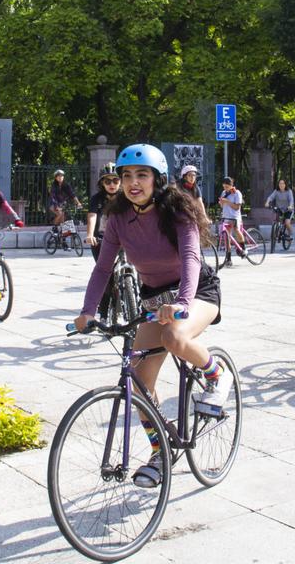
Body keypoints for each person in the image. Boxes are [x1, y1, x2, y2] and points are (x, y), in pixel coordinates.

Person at [74, 143, 227, 489]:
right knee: (139, 384)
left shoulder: (178, 211)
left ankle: (217, 378)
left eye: (141, 175)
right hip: (155, 301)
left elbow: (191, 258)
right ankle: (160, 452)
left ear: (157, 179)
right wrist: (87, 312)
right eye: (126, 176)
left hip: (197, 291)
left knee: (176, 338)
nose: (133, 183)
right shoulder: (117, 219)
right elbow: (102, 269)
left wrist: (184, 302)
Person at [86, 163, 120, 261]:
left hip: (123, 236)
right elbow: (92, 216)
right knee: (104, 271)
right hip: (101, 238)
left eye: (115, 180)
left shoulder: (126, 198)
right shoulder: (96, 199)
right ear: (102, 183)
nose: (112, 184)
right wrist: (90, 235)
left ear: (121, 182)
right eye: (107, 181)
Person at [217, 177, 247, 267]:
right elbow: (223, 206)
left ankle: (243, 247)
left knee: (236, 229)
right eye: (224, 186)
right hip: (226, 217)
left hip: (235, 217)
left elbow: (237, 207)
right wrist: (221, 203)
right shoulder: (223, 193)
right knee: (227, 238)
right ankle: (228, 259)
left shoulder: (237, 193)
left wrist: (227, 201)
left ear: (231, 185)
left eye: (227, 186)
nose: (225, 188)